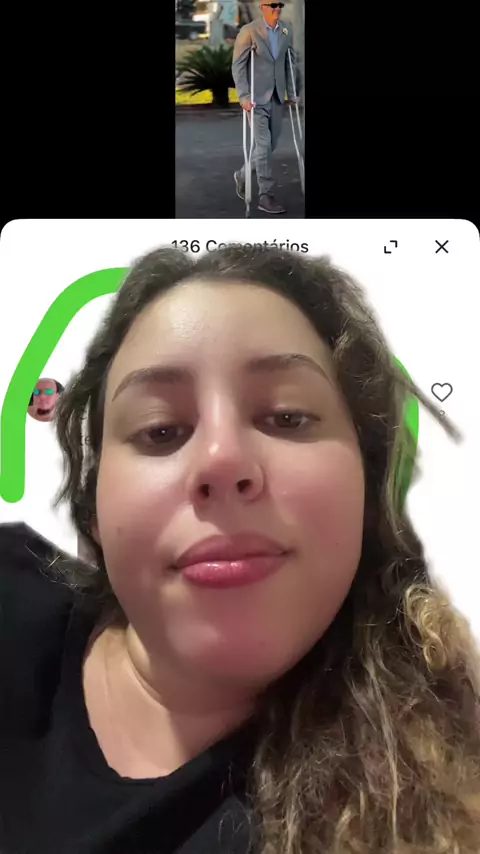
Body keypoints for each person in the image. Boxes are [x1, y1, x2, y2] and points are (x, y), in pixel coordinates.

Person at [1, 244, 480, 854]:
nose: (221, 460)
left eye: (287, 417)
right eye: (160, 430)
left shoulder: (444, 792)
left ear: (368, 482)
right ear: (94, 505)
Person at [232, 2, 299, 214]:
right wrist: (243, 96)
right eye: (272, 5)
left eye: (279, 5)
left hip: (277, 96)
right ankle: (265, 195)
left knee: (271, 145)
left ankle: (243, 174)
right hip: (256, 99)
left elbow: (289, 62)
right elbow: (238, 65)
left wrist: (292, 91)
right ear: (262, 7)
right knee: (263, 145)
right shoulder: (249, 31)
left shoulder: (286, 29)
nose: (277, 8)